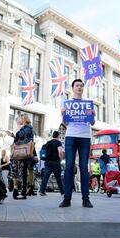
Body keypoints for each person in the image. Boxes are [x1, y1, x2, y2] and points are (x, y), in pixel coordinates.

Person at [59, 79, 95, 208]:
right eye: (77, 85)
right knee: (69, 167)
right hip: (71, 136)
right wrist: (63, 115)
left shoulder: (88, 104)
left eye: (81, 86)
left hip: (85, 137)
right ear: (73, 88)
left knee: (84, 168)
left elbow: (92, 123)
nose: (79, 87)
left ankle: (86, 199)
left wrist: (92, 115)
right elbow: (66, 123)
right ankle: (67, 199)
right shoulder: (66, 103)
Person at [10, 114, 34, 200]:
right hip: (21, 151)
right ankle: (21, 191)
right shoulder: (24, 128)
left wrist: (17, 131)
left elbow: (21, 135)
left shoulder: (28, 127)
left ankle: (24, 193)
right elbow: (19, 137)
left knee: (23, 172)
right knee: (21, 171)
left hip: (25, 152)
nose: (18, 120)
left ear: (23, 119)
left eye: (19, 118)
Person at [39, 131, 65, 196]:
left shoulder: (48, 142)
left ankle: (42, 191)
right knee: (58, 177)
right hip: (55, 162)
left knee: (45, 177)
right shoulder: (58, 142)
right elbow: (60, 152)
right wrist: (60, 159)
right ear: (58, 136)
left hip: (47, 162)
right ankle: (62, 191)